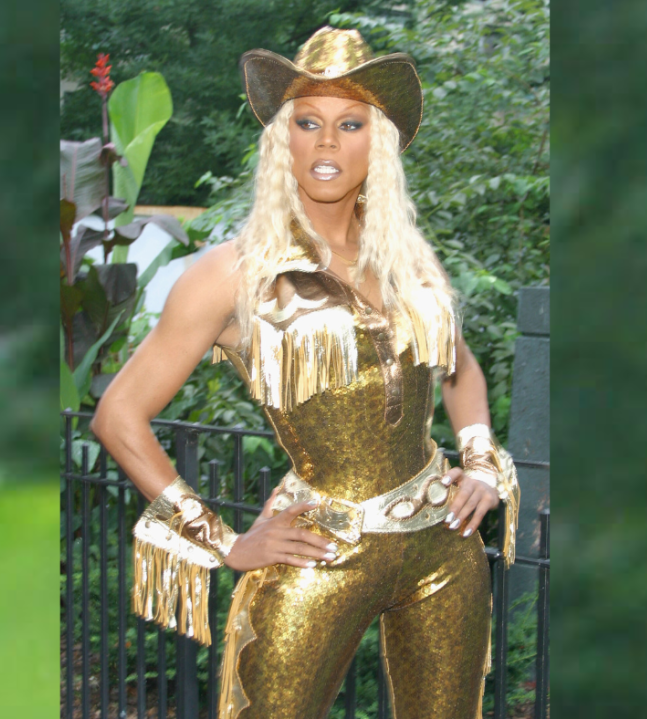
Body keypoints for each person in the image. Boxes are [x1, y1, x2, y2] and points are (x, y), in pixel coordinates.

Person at [92, 26, 519, 719]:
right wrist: (225, 541)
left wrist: (479, 459)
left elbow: (460, 369)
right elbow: (117, 415)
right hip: (319, 551)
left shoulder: (408, 261)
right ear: (280, 141)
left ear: (376, 143)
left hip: (446, 547)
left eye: (350, 124)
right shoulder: (230, 274)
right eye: (307, 122)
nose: (327, 143)